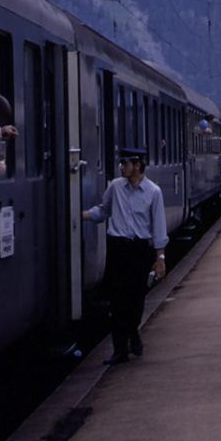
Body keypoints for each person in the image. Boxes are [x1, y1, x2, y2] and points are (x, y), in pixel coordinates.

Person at [83, 147, 168, 365]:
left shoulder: (153, 192)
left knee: (136, 298)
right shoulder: (115, 187)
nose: (122, 167)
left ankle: (133, 332)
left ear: (138, 165)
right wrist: (83, 215)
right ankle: (119, 350)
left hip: (139, 249)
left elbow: (158, 227)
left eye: (126, 163)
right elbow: (104, 210)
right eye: (121, 163)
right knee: (117, 300)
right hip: (118, 248)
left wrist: (160, 258)